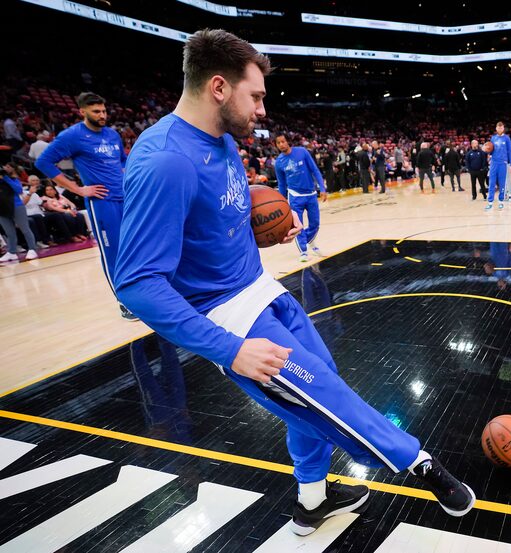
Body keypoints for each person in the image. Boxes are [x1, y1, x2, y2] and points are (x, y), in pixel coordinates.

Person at [114, 30, 475, 537]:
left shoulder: (218, 140)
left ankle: (313, 500)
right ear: (219, 87)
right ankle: (419, 464)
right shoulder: (165, 161)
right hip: (231, 321)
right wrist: (229, 350)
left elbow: (211, 231)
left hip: (263, 290)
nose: (263, 109)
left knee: (311, 398)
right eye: (256, 95)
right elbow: (135, 284)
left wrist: (264, 233)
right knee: (324, 396)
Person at [35, 92, 135, 320]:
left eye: (104, 111)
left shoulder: (112, 134)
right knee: (113, 252)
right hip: (102, 203)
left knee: (132, 247)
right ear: (82, 111)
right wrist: (78, 190)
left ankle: (141, 295)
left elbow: (122, 161)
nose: (102, 115)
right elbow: (43, 162)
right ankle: (123, 302)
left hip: (125, 198)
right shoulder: (72, 136)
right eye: (96, 112)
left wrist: (127, 174)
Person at [275, 133, 327, 263]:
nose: (281, 144)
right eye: (278, 143)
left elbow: (315, 170)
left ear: (288, 142)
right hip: (294, 196)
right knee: (298, 226)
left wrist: (323, 188)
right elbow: (282, 184)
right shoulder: (279, 163)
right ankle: (303, 251)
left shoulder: (302, 152)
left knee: (315, 223)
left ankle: (310, 241)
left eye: (283, 141)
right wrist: (282, 202)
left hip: (311, 194)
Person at [0, 163, 39, 262]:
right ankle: (11, 252)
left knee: (25, 229)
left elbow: (18, 190)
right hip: (2, 209)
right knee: (9, 232)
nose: (5, 168)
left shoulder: (13, 180)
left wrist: (5, 178)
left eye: (8, 167)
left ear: (13, 169)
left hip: (16, 206)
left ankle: (32, 249)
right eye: (5, 166)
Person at [485, 121, 511, 211]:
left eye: (501, 127)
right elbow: (491, 151)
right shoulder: (493, 138)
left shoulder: (507, 138)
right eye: (498, 127)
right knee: (491, 183)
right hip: (494, 163)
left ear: (503, 128)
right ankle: (490, 203)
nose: (500, 129)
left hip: (503, 163)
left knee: (502, 183)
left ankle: (501, 201)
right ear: (496, 128)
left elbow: (510, 151)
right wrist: (487, 150)